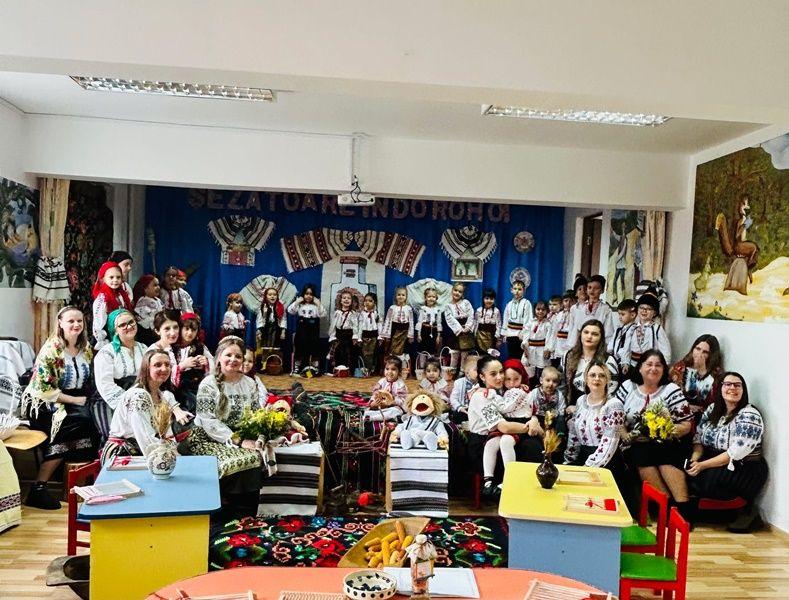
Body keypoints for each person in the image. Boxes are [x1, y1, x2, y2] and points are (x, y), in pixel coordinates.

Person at [21, 306, 98, 509]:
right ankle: (38, 487)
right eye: (71, 321)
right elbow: (43, 390)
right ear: (60, 323)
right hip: (45, 403)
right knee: (73, 422)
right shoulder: (51, 350)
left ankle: (80, 485)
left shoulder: (85, 348)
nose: (76, 324)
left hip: (75, 398)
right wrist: (75, 401)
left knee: (93, 420)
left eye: (79, 321)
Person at [617, 350, 693, 520]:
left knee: (664, 455)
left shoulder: (671, 390)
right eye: (649, 364)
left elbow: (686, 425)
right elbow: (617, 419)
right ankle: (666, 507)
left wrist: (663, 430)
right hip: (634, 443)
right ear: (640, 367)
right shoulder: (628, 386)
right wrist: (626, 436)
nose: (653, 368)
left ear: (664, 369)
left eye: (658, 365)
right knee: (640, 453)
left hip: (666, 441)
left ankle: (683, 508)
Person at [687, 372, 768, 533]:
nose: (732, 388)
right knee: (685, 469)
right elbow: (698, 439)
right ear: (720, 388)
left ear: (743, 390)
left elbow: (735, 453)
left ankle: (745, 512)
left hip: (743, 467)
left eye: (737, 385)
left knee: (707, 480)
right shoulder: (713, 409)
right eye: (728, 384)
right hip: (713, 459)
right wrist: (694, 460)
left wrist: (702, 466)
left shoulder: (749, 415)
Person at [188, 337, 264, 490]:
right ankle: (228, 501)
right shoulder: (208, 384)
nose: (233, 359)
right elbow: (208, 421)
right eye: (228, 355)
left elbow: (256, 413)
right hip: (208, 438)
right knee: (241, 461)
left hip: (241, 435)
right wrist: (239, 441)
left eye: (238, 356)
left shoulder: (249, 383)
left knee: (264, 454)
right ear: (219, 358)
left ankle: (253, 501)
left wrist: (261, 435)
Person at [100, 348, 192, 464]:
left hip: (146, 451)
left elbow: (166, 436)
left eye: (167, 365)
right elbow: (146, 438)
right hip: (123, 454)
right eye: (157, 365)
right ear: (146, 368)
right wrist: (169, 461)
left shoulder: (162, 396)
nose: (164, 369)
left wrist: (175, 455)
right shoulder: (138, 396)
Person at [466, 355, 535, 498]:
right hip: (481, 446)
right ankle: (499, 483)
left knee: (529, 446)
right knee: (527, 449)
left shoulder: (501, 391)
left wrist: (533, 419)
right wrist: (530, 426)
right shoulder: (481, 396)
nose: (500, 377)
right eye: (493, 374)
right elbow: (504, 427)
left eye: (501, 372)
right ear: (482, 377)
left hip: (497, 437)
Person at [564, 362, 627, 489]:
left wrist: (587, 468)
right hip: (583, 456)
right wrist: (568, 461)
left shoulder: (614, 405)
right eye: (592, 375)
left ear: (607, 380)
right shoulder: (580, 401)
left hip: (607, 463)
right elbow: (574, 435)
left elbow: (610, 444)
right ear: (586, 379)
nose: (597, 379)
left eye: (602, 376)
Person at [92, 308, 148, 444]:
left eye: (131, 322)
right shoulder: (106, 353)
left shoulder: (144, 349)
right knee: (118, 439)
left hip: (140, 398)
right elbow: (105, 385)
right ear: (115, 330)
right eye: (122, 325)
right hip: (111, 401)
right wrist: (127, 405)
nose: (129, 326)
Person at [562, 319, 620, 407]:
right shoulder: (569, 356)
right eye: (586, 332)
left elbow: (611, 391)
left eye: (594, 334)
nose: (589, 336)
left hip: (597, 407)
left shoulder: (608, 360)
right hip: (571, 406)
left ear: (601, 338)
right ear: (580, 334)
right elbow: (564, 385)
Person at [670, 334, 723, 423]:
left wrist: (702, 370)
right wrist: (686, 406)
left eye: (705, 352)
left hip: (700, 418)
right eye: (698, 349)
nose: (699, 354)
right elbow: (670, 392)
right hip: (677, 411)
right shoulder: (681, 367)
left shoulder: (716, 375)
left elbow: (709, 403)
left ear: (711, 355)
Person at [621, 293, 671, 372]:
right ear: (637, 309)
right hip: (633, 366)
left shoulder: (657, 329)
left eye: (649, 309)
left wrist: (663, 367)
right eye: (641, 308)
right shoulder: (632, 328)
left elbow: (665, 351)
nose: (644, 311)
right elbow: (626, 348)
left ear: (654, 313)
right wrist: (625, 363)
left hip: (650, 367)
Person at [176, 312, 214, 414]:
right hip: (178, 387)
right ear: (180, 328)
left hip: (196, 383)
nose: (189, 333)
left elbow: (213, 363)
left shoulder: (200, 347)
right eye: (186, 329)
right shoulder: (173, 347)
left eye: (193, 330)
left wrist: (206, 364)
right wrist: (182, 366)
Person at [92, 261, 133, 350]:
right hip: (109, 338)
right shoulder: (102, 298)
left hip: (122, 334)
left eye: (118, 277)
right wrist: (103, 341)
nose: (115, 280)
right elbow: (98, 323)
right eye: (111, 277)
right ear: (103, 278)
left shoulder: (122, 295)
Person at [287, 283, 326, 376]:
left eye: (311, 294)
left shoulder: (316, 305)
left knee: (314, 347)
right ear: (303, 294)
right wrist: (297, 302)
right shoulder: (300, 305)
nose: (308, 296)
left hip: (313, 329)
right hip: (302, 328)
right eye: (306, 294)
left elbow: (323, 314)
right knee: (300, 347)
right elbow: (290, 311)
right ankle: (297, 367)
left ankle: (315, 367)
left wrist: (318, 304)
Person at [567, 274, 614, 346]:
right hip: (579, 344)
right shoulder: (578, 308)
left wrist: (605, 348)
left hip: (597, 344)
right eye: (589, 287)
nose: (592, 290)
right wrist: (571, 346)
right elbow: (573, 330)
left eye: (596, 288)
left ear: (602, 290)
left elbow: (608, 332)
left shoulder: (605, 309)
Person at [442, 282, 476, 375]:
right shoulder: (448, 306)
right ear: (452, 291)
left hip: (466, 330)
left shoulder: (466, 303)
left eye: (460, 292)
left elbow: (471, 314)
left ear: (463, 294)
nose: (457, 293)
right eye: (455, 290)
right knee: (454, 352)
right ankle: (452, 371)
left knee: (465, 353)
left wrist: (468, 327)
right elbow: (450, 319)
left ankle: (462, 372)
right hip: (456, 331)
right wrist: (459, 329)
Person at [526, 365, 566, 437]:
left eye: (554, 381)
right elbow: (528, 405)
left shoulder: (559, 395)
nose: (551, 384)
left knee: (560, 420)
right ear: (541, 380)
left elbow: (562, 408)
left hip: (553, 419)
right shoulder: (535, 392)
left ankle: (560, 436)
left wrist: (556, 413)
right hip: (539, 417)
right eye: (548, 380)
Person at [380, 286, 415, 368]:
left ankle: (403, 368)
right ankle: (393, 367)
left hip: (405, 333)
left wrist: (411, 335)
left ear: (406, 297)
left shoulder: (409, 309)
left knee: (404, 351)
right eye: (399, 295)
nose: (401, 297)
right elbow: (388, 321)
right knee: (393, 350)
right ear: (395, 296)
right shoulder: (392, 308)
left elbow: (411, 322)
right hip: (394, 331)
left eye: (403, 295)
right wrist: (386, 335)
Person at [521, 300, 551, 387]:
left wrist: (548, 349)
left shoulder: (548, 324)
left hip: (541, 349)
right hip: (530, 349)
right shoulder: (530, 322)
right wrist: (525, 348)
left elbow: (550, 338)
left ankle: (540, 386)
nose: (540, 311)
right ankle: (529, 386)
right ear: (534, 310)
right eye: (538, 309)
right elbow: (526, 336)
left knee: (540, 369)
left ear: (547, 311)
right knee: (529, 369)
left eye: (543, 309)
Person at [327, 290, 361, 371]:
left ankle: (349, 370)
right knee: (339, 352)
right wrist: (332, 336)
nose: (346, 300)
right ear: (340, 301)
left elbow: (355, 326)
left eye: (349, 298)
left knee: (349, 353)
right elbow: (333, 326)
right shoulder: (337, 313)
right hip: (339, 336)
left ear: (352, 301)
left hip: (349, 336)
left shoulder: (353, 313)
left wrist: (355, 336)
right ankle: (338, 370)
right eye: (344, 298)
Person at [501, 280, 532, 361]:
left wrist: (524, 335)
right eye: (515, 289)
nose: (517, 291)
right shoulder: (509, 304)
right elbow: (505, 319)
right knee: (511, 356)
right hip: (510, 335)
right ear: (511, 290)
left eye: (519, 289)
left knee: (520, 357)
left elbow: (528, 320)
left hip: (520, 335)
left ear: (524, 291)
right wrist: (504, 334)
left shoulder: (526, 303)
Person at [133, 274, 164, 346]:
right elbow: (144, 321)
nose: (158, 287)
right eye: (155, 285)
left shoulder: (158, 300)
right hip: (149, 335)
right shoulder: (143, 302)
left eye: (158, 285)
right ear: (145, 288)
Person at [546, 290, 574, 369]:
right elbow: (553, 333)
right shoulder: (559, 315)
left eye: (571, 301)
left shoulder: (575, 315)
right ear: (562, 303)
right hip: (557, 347)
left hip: (569, 348)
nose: (568, 303)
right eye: (566, 301)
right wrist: (549, 348)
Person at [448, 354, 478, 422]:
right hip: (462, 409)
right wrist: (459, 407)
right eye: (476, 370)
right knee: (457, 415)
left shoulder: (481, 384)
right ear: (467, 373)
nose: (479, 372)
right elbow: (453, 398)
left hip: (475, 411)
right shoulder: (459, 382)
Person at [608, 298, 637, 367]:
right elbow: (612, 341)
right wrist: (609, 351)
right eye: (619, 314)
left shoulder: (634, 330)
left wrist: (624, 361)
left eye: (623, 314)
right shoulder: (619, 329)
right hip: (614, 360)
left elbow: (627, 347)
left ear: (633, 315)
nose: (620, 317)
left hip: (626, 362)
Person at [474, 288, 502, 355]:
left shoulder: (496, 311)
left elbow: (498, 324)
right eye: (487, 298)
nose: (489, 301)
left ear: (494, 300)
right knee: (480, 353)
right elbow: (475, 323)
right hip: (480, 336)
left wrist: (497, 336)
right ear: (483, 299)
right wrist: (474, 334)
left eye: (491, 299)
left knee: (490, 354)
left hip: (492, 336)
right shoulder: (479, 310)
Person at [416, 287, 443, 356]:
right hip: (424, 331)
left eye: (433, 297)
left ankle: (431, 361)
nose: (431, 298)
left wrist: (438, 336)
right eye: (429, 296)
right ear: (425, 298)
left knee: (432, 350)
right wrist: (418, 335)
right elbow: (419, 322)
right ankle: (422, 362)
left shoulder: (438, 310)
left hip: (434, 332)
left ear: (436, 298)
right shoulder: (422, 309)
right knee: (423, 351)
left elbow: (439, 323)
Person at [359, 292, 381, 374]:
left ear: (375, 302)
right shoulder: (362, 313)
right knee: (365, 353)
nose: (367, 302)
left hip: (374, 336)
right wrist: (359, 337)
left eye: (370, 301)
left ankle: (372, 369)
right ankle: (365, 369)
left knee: (373, 353)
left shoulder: (376, 314)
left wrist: (380, 336)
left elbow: (379, 325)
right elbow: (360, 326)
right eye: (365, 300)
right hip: (364, 335)